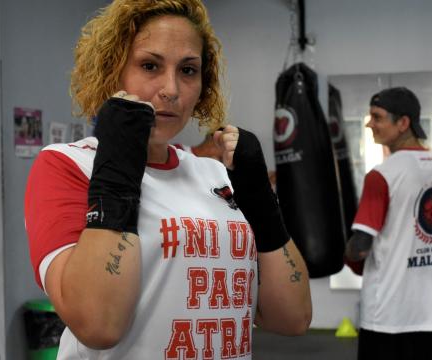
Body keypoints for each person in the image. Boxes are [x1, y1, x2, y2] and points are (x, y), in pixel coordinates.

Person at [24, 1, 312, 358]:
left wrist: (260, 199)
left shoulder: (214, 174)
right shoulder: (68, 165)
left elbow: (293, 317)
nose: (171, 89)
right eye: (149, 66)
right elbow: (98, 325)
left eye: (188, 70)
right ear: (113, 72)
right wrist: (117, 165)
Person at [344, 87, 432, 360]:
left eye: (377, 117)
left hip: (386, 316)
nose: (369, 124)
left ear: (403, 123)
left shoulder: (381, 175)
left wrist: (344, 253)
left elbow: (361, 247)